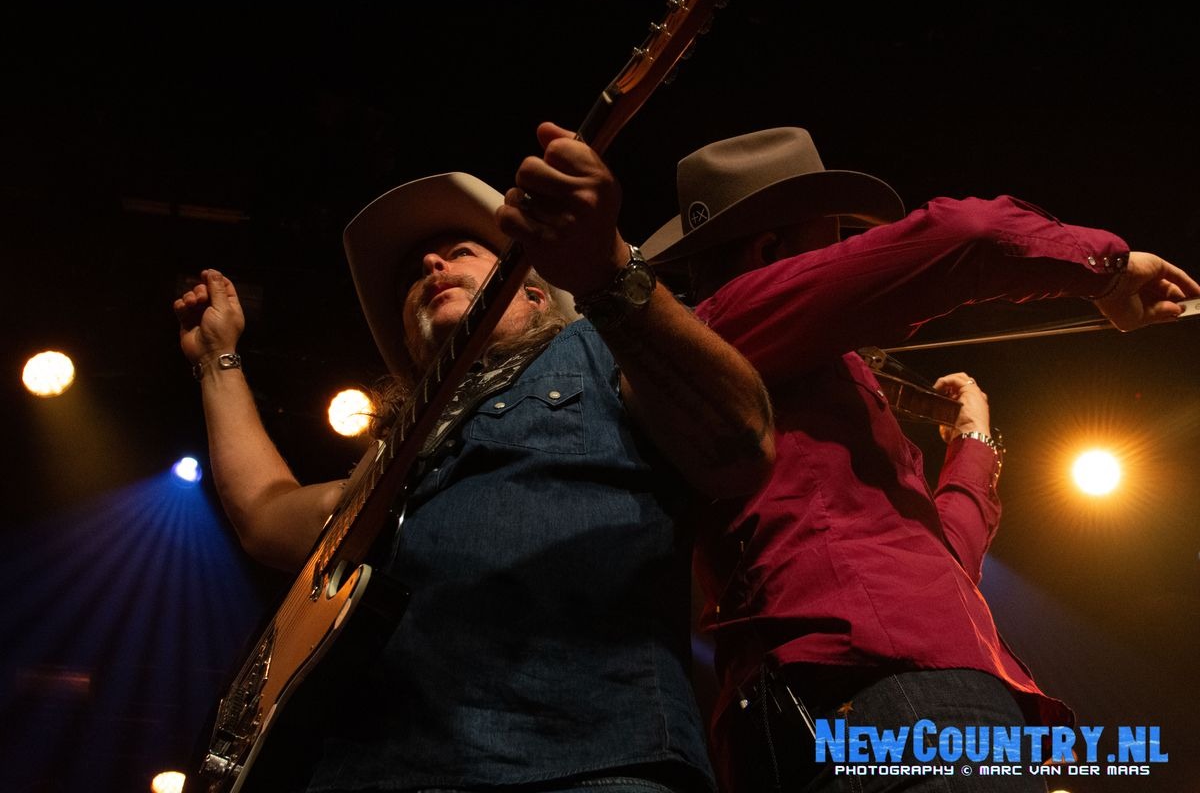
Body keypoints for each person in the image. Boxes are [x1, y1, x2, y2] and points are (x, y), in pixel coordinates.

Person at [173, 121, 775, 793]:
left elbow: (741, 444)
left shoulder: (603, 349)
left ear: (535, 290)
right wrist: (216, 362)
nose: (430, 267)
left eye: (461, 251)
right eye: (413, 274)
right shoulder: (391, 457)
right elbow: (265, 513)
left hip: (585, 762)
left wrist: (606, 267)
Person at [639, 126, 1200, 792]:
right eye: (836, 242)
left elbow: (939, 569)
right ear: (771, 250)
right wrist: (1104, 265)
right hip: (887, 692)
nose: (849, 257)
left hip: (839, 702)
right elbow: (967, 234)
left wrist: (972, 444)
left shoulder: (773, 368)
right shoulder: (722, 324)